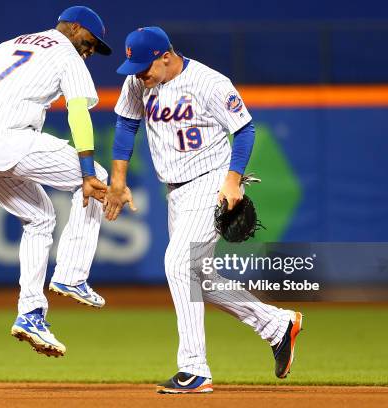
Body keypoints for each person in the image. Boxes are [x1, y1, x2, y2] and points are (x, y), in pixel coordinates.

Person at [104, 27, 303, 393]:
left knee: (178, 264)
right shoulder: (136, 81)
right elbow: (125, 124)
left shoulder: (209, 82)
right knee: (200, 278)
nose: (138, 75)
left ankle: (194, 369)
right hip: (176, 191)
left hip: (210, 181)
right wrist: (118, 181)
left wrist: (232, 181)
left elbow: (243, 129)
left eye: (144, 67)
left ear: (166, 56)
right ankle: (277, 325)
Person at [0, 6, 112, 358]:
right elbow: (78, 112)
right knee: (98, 178)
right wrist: (87, 172)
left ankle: (30, 314)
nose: (89, 52)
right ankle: (72, 274)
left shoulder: (10, 44)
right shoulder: (66, 53)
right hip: (12, 140)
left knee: (41, 219)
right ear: (74, 28)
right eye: (89, 42)